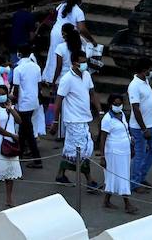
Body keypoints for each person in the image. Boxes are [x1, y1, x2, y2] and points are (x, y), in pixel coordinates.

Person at [55, 50, 96, 188]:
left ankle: (60, 175)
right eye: (82, 62)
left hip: (84, 118)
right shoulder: (66, 79)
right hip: (73, 120)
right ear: (74, 63)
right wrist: (55, 122)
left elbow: (92, 93)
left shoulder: (87, 75)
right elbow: (58, 100)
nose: (84, 64)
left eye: (85, 61)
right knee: (82, 150)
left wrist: (100, 111)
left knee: (71, 149)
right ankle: (89, 180)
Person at [98, 93, 138, 214]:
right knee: (121, 176)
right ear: (110, 104)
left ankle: (106, 200)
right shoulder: (107, 119)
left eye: (120, 103)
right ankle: (127, 203)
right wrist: (102, 156)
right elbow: (103, 139)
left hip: (124, 151)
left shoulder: (122, 115)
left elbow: (126, 131)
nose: (118, 105)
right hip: (113, 152)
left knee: (117, 175)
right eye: (115, 104)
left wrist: (131, 143)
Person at [128, 59, 152, 192]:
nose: (150, 71)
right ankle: (134, 183)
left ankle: (141, 176)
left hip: (150, 125)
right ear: (143, 70)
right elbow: (135, 108)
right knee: (140, 154)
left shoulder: (145, 81)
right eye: (149, 69)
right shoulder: (134, 85)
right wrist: (143, 128)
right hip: (139, 127)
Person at [0, 83, 23, 205]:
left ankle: (9, 198)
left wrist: (11, 109)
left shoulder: (10, 107)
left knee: (11, 172)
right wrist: (12, 135)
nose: (1, 96)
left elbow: (19, 120)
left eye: (3, 94)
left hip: (11, 143)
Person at [11, 46, 43, 168]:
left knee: (27, 132)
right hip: (33, 102)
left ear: (19, 54)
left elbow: (16, 88)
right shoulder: (36, 67)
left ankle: (37, 159)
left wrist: (13, 102)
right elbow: (39, 85)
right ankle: (20, 155)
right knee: (24, 130)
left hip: (23, 103)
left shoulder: (18, 69)